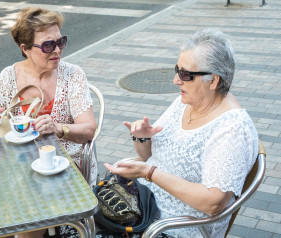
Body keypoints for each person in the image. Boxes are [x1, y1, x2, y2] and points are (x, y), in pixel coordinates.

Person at [105, 29, 258, 238]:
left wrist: (149, 173)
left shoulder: (232, 129)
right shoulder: (185, 101)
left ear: (213, 81)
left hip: (174, 227)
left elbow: (213, 203)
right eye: (177, 69)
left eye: (185, 74)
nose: (176, 80)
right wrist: (142, 137)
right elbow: (147, 156)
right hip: (140, 203)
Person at [0, 8, 97, 183]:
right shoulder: (9, 76)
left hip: (63, 165)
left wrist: (58, 128)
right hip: (17, 164)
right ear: (26, 49)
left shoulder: (72, 75)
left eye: (60, 41)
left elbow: (89, 129)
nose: (57, 50)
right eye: (48, 45)